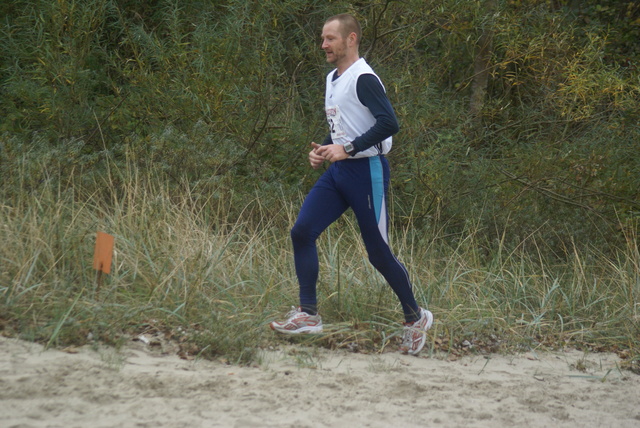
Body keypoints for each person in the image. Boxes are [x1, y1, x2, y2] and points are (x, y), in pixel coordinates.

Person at [270, 14, 433, 355]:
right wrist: (327, 148)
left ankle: (415, 317)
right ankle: (308, 314)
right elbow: (344, 126)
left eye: (330, 38)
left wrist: (347, 148)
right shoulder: (333, 77)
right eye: (323, 38)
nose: (323, 44)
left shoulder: (364, 78)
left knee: (378, 253)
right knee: (302, 231)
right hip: (339, 173)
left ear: (351, 39)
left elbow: (390, 123)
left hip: (368, 171)